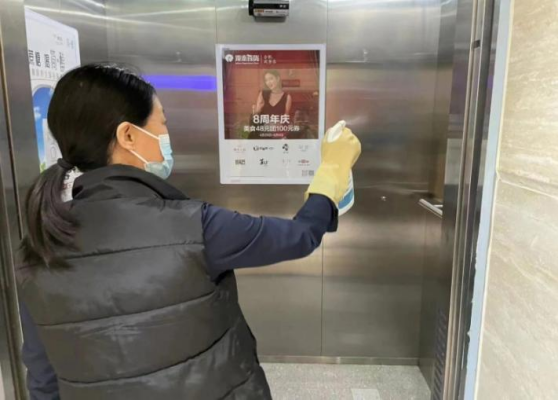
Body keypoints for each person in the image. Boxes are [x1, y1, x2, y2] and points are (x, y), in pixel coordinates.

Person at [17, 64, 361, 400]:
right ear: (128, 135)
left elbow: (43, 375)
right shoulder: (195, 227)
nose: (167, 136)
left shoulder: (39, 244)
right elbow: (300, 235)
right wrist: (333, 169)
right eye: (162, 123)